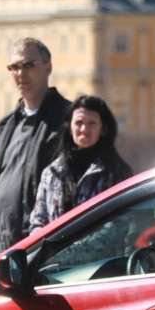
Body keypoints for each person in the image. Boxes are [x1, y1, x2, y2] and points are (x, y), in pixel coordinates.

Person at [0, 38, 71, 268]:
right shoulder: (4, 127)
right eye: (14, 67)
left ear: (48, 68)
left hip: (37, 256)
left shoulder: (68, 120)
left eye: (28, 65)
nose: (20, 73)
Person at [29, 95, 134, 231]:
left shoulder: (116, 173)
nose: (84, 129)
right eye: (79, 123)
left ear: (103, 129)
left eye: (92, 123)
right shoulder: (52, 173)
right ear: (69, 127)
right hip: (54, 252)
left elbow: (121, 224)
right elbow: (38, 222)